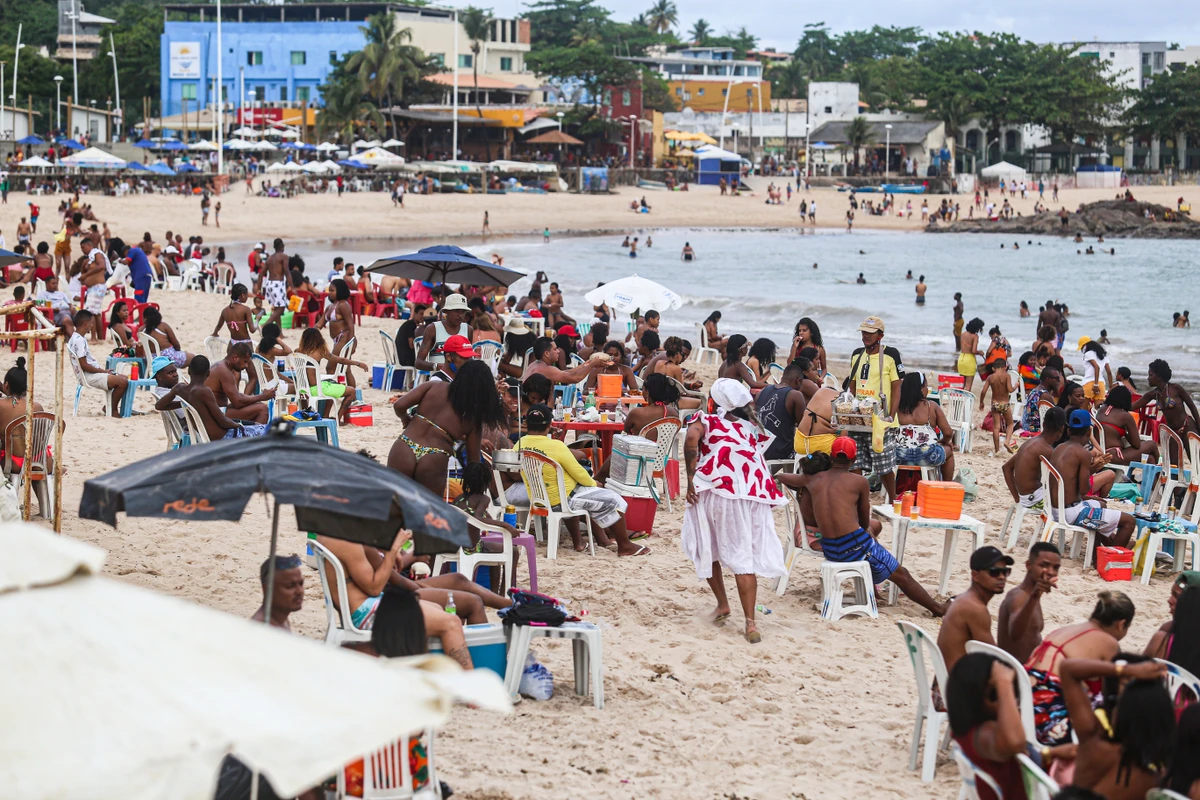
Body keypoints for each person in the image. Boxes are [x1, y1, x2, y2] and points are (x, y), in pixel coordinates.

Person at [779, 438, 946, 615]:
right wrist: (865, 530)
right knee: (901, 574)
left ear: (832, 457)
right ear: (853, 460)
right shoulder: (859, 482)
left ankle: (871, 589)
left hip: (829, 549)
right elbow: (864, 522)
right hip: (853, 546)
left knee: (872, 549)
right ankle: (938, 608)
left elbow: (782, 477)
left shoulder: (811, 479)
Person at [681, 379, 788, 643]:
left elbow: (692, 439)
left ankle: (723, 604)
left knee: (709, 548)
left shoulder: (705, 419)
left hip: (717, 492)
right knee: (743, 558)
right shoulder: (749, 428)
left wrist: (689, 478)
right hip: (751, 497)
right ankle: (750, 623)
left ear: (715, 401)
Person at [315, 531, 475, 670]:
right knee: (451, 622)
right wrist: (392, 550)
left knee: (437, 609)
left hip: (363, 608)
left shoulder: (332, 532)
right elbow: (374, 587)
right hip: (366, 614)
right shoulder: (346, 540)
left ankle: (422, 673)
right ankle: (473, 697)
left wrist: (387, 547)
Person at [514, 403, 646, 556]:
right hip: (563, 500)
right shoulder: (556, 446)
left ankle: (599, 539)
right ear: (550, 425)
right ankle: (625, 546)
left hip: (538, 499)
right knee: (615, 499)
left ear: (526, 423)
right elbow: (578, 472)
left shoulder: (520, 444)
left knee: (588, 494)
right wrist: (593, 483)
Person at [1027, 590, 1136, 745]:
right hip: (1046, 714)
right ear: (1121, 624)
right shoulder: (1108, 643)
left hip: (1021, 700)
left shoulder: (1065, 630)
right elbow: (1112, 694)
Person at [1060, 656, 1173, 800]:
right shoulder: (1157, 780)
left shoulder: (1094, 743)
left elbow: (1068, 668)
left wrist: (1128, 670)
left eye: (1118, 704)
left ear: (1122, 715)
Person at [389, 360, 506, 498]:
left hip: (404, 447)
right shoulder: (473, 417)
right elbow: (473, 463)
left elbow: (399, 405)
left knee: (392, 508)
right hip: (434, 456)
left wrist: (405, 418)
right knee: (430, 512)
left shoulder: (434, 386)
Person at [947, 653, 1040, 800]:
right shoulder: (984, 735)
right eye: (995, 695)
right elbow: (1016, 742)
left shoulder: (966, 732)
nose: (1013, 702)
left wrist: (1049, 755)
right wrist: (1004, 683)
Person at [1052, 408, 1135, 549]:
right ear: (1089, 433)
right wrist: (1093, 469)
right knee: (1129, 521)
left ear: (1068, 431)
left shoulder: (1058, 449)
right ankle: (1112, 556)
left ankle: (1102, 549)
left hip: (1055, 510)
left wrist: (1091, 470)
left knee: (1101, 505)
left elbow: (1072, 483)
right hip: (1072, 513)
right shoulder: (1083, 454)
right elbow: (1084, 489)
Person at [845, 316, 904, 501]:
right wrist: (850, 409)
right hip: (859, 417)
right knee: (856, 461)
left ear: (881, 335)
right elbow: (852, 385)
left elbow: (897, 388)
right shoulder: (857, 354)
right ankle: (857, 499)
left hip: (881, 419)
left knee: (884, 465)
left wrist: (890, 417)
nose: (866, 336)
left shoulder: (891, 355)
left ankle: (893, 499)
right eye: (864, 332)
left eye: (870, 333)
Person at [938, 546, 1014, 673]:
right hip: (956, 688)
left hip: (945, 681)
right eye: (994, 572)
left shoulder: (964, 599)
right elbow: (993, 657)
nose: (1001, 577)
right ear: (975, 575)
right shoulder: (975, 608)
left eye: (1005, 571)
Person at [159, 356, 268, 440]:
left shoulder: (180, 389)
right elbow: (222, 421)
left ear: (188, 371)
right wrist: (240, 426)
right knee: (267, 432)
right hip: (222, 437)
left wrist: (185, 403)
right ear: (208, 374)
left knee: (258, 427)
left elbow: (159, 405)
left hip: (206, 435)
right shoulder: (204, 391)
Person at [997, 542, 1062, 664]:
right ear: (1028, 565)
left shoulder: (1031, 595)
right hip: (1018, 674)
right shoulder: (1019, 597)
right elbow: (1015, 633)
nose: (1051, 572)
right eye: (1044, 565)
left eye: (1056, 568)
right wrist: (1034, 596)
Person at [295, 328, 368, 423]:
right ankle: (337, 419)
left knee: (331, 383)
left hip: (303, 389)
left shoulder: (297, 351)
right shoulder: (320, 351)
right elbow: (339, 360)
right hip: (316, 389)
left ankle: (326, 415)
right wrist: (357, 363)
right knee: (352, 391)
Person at [896, 372, 956, 480]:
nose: (927, 389)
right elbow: (948, 433)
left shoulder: (897, 407)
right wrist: (943, 442)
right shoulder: (931, 406)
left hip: (900, 456)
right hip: (927, 456)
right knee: (949, 451)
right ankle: (946, 485)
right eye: (925, 386)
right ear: (920, 389)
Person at [67, 310, 127, 417]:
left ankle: (109, 407)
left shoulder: (75, 337)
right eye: (91, 323)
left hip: (87, 373)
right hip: (87, 376)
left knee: (123, 378)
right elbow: (84, 365)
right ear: (85, 323)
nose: (92, 325)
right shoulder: (79, 341)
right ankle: (112, 410)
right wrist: (103, 371)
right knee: (122, 382)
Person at [206, 343, 274, 425]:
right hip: (214, 415)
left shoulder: (222, 366)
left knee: (256, 405)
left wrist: (259, 397)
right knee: (262, 409)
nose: (246, 366)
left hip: (215, 411)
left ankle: (250, 433)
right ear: (235, 358)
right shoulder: (224, 371)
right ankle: (255, 436)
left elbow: (237, 396)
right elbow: (238, 403)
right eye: (245, 362)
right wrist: (262, 396)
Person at [1133, 359, 1200, 444]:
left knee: (1194, 457)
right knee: (1171, 458)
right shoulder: (1153, 394)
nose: (1148, 378)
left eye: (1150, 375)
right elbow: (1133, 406)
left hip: (1187, 426)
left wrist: (1199, 425)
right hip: (1172, 431)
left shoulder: (1176, 388)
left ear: (1158, 377)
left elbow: (1192, 406)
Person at [755, 361, 808, 462]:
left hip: (759, 448)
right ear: (798, 381)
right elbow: (803, 425)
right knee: (809, 453)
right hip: (780, 451)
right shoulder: (795, 395)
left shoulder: (762, 391)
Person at [1094, 387, 1158, 464]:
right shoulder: (1125, 416)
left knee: (1150, 459)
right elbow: (1136, 444)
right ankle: (1162, 473)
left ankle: (1155, 475)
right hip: (1114, 455)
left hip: (1099, 452)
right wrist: (1126, 432)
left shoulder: (1102, 410)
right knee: (1152, 444)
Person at [415, 293, 472, 372]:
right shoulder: (433, 329)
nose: (460, 315)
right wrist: (436, 366)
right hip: (439, 378)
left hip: (461, 378)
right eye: (456, 311)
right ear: (447, 311)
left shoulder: (468, 329)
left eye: (463, 312)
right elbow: (418, 362)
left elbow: (469, 358)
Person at [250, 554, 304, 630]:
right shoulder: (263, 628)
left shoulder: (281, 618)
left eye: (301, 584)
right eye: (290, 586)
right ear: (268, 589)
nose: (299, 591)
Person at [978, 356, 1018, 454]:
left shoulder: (990, 377)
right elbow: (1010, 390)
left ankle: (997, 449)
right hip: (1005, 404)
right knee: (1010, 424)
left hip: (995, 405)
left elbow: (983, 391)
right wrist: (1016, 386)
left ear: (993, 368)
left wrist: (981, 402)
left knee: (996, 427)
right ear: (1005, 367)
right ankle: (1007, 442)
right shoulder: (1006, 376)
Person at [1022, 367, 1063, 436]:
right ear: (1048, 379)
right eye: (1057, 378)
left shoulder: (1035, 391)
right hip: (1037, 433)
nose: (1059, 381)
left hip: (1027, 429)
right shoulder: (1045, 396)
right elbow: (1057, 417)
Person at [260, 238, 290, 329]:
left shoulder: (269, 258)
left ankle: (279, 333)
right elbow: (287, 272)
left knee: (277, 308)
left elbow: (261, 274)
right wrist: (292, 286)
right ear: (282, 246)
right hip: (278, 284)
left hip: (269, 284)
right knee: (281, 309)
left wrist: (258, 288)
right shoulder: (283, 256)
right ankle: (264, 325)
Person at [1080, 340, 1114, 407]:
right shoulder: (1103, 356)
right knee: (1097, 411)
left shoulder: (1088, 354)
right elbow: (1109, 372)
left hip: (1089, 383)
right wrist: (1110, 387)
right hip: (1101, 383)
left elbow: (1096, 367)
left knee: (1083, 409)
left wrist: (1095, 384)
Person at [958, 317, 984, 391]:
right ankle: (967, 402)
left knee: (961, 385)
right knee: (968, 387)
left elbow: (961, 347)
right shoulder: (975, 336)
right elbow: (973, 350)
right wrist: (980, 352)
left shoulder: (963, 334)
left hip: (961, 358)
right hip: (969, 360)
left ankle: (960, 401)